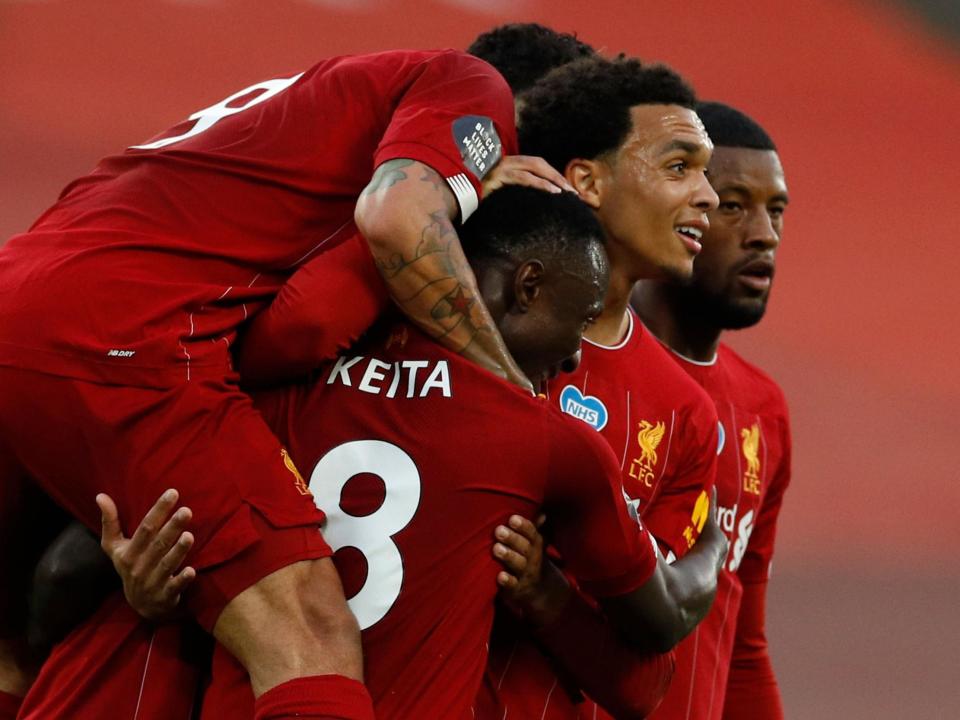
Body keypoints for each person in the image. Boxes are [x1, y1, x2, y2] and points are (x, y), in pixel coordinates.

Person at [0, 48, 570, 719]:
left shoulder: (312, 101)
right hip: (123, 334)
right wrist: (514, 397)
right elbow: (394, 224)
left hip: (27, 285)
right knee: (308, 630)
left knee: (11, 623)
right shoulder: (472, 88)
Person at [23, 187, 729, 719]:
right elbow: (646, 677)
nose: (577, 356)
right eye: (575, 321)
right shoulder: (543, 443)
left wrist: (139, 588)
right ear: (527, 285)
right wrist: (701, 557)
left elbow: (55, 579)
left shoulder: (261, 397)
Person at [477, 54, 725, 720]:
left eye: (705, 172)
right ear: (586, 180)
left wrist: (546, 596)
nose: (709, 196)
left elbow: (641, 678)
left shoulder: (687, 416)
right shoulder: (462, 331)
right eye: (679, 168)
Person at [630, 101, 791, 720]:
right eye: (734, 205)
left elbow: (743, 647)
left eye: (776, 210)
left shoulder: (763, 408)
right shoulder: (577, 369)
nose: (764, 234)